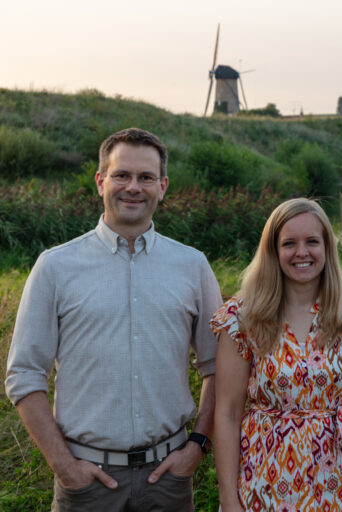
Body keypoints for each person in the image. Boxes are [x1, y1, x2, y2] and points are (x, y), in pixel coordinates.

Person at [4, 128, 222, 510]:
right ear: (100, 181)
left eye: (146, 177)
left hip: (168, 480)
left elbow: (219, 367)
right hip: (86, 485)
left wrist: (197, 447)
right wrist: (64, 466)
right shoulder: (55, 267)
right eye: (122, 175)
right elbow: (24, 375)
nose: (133, 187)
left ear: (163, 186)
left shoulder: (192, 266)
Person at [212, 198, 342, 512]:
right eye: (289, 243)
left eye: (312, 242)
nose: (301, 252)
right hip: (263, 482)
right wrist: (229, 500)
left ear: (327, 248)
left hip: (339, 483)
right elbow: (227, 413)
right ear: (273, 251)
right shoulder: (242, 317)